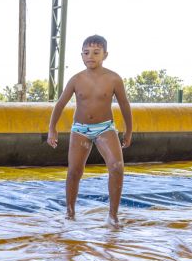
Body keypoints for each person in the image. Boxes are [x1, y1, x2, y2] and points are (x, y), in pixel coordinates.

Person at [47, 34, 132, 229]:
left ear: (105, 55)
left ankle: (113, 215)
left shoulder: (114, 79)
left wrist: (128, 131)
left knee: (117, 167)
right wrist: (52, 129)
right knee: (74, 171)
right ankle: (70, 213)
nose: (90, 56)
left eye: (96, 52)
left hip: (105, 128)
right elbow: (60, 104)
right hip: (80, 130)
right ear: (81, 55)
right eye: (86, 52)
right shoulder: (76, 79)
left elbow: (125, 106)